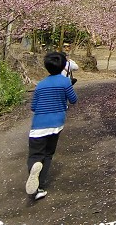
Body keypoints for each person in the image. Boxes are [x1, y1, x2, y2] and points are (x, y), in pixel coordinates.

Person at [25, 51, 78, 201]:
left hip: (38, 126)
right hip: (56, 125)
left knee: (35, 155)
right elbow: (73, 100)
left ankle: (34, 168)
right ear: (63, 66)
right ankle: (39, 185)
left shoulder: (40, 85)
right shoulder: (65, 82)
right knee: (48, 154)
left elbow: (34, 107)